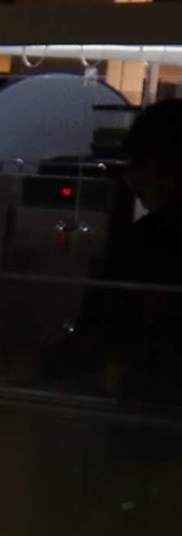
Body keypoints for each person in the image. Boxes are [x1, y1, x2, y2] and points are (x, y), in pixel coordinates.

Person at [43, 98, 182, 405]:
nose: (133, 181)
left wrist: (38, 368)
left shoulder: (149, 240)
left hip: (152, 418)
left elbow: (103, 335)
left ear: (159, 168)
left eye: (139, 167)